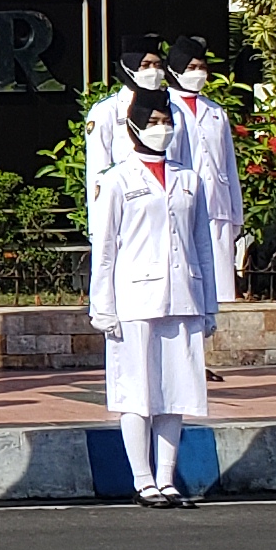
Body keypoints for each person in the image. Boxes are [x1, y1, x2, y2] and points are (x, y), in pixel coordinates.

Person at [86, 87, 217, 507]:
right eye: (153, 122)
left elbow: (203, 247)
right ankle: (142, 479)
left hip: (183, 295)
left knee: (175, 392)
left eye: (166, 122)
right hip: (134, 299)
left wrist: (209, 304)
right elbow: (105, 249)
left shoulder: (188, 179)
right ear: (133, 127)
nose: (161, 130)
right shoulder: (116, 179)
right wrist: (102, 307)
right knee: (137, 392)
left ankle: (166, 478)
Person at [169, 43, 244, 306]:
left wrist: (236, 213)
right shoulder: (166, 108)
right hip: (183, 199)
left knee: (221, 280)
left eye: (202, 68)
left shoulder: (215, 112)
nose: (198, 73)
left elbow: (228, 165)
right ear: (175, 70)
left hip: (217, 202)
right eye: (191, 68)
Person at [81, 42, 171, 178]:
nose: (153, 71)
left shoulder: (173, 107)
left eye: (157, 65)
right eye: (145, 65)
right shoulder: (107, 109)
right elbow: (97, 166)